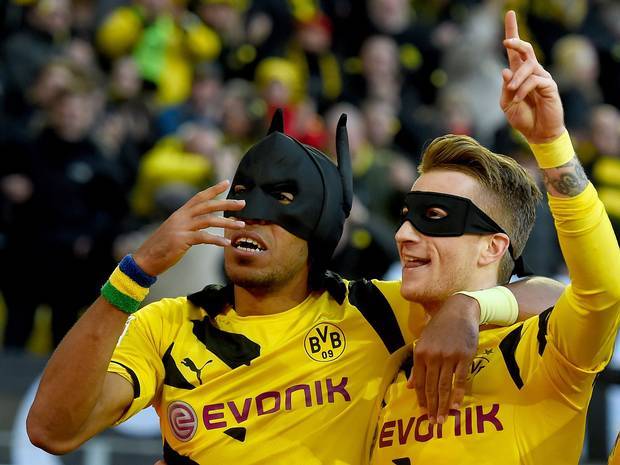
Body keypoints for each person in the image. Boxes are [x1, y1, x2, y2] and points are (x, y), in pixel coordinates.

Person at [27, 108, 559, 464]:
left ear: (317, 232)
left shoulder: (376, 310)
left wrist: (468, 305)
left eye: (278, 205)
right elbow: (53, 431)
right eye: (242, 200)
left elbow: (556, 296)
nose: (250, 219)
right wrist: (136, 272)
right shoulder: (166, 324)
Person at [369, 10, 620, 465]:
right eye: (406, 216)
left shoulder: (541, 353)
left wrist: (551, 143)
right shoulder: (376, 336)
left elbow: (601, 291)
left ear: (493, 247)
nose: (403, 234)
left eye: (434, 217)